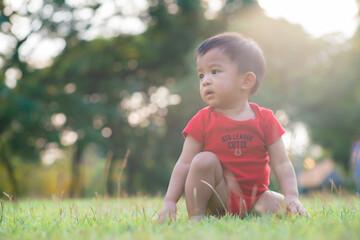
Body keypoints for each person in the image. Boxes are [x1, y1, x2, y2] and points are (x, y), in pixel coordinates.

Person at [157, 32, 308, 223]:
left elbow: (282, 163)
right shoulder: (202, 120)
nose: (205, 80)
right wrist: (170, 201)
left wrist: (292, 196)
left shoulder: (266, 119)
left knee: (287, 212)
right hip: (219, 197)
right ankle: (197, 216)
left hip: (257, 198)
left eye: (214, 71)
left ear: (246, 80)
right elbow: (184, 164)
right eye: (201, 75)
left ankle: (277, 208)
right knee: (203, 160)